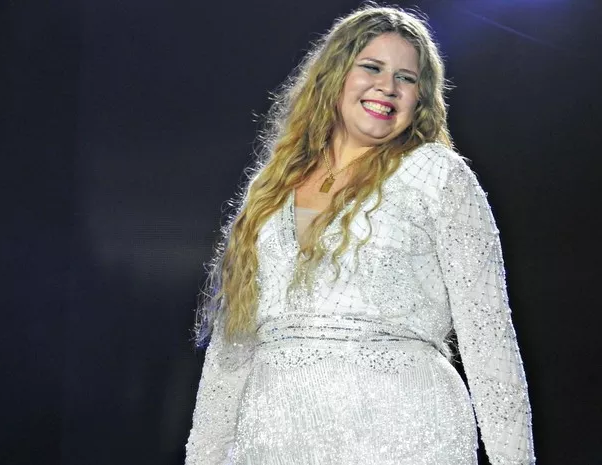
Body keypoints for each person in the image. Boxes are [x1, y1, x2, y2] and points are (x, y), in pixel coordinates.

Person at [185, 5, 535, 465]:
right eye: (371, 67)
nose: (388, 86)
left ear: (420, 98)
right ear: (334, 76)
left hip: (409, 435)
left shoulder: (437, 175)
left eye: (406, 78)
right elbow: (231, 350)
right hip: (274, 441)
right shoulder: (270, 190)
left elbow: (489, 337)